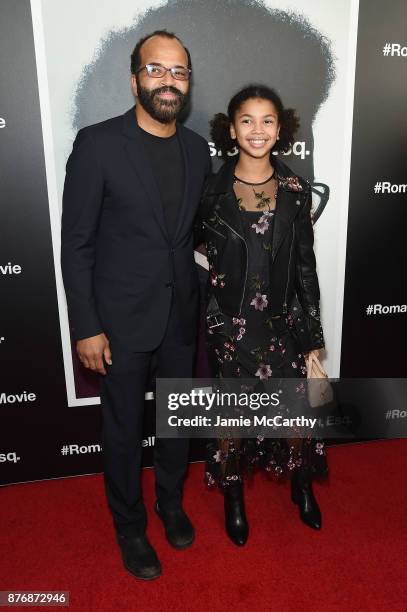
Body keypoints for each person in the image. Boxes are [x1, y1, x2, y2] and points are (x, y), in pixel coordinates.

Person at [61, 30, 210, 580]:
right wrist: (86, 326)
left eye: (179, 72)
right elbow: (76, 243)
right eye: (157, 69)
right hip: (119, 322)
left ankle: (171, 503)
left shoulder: (196, 149)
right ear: (135, 79)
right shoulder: (98, 144)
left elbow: (197, 233)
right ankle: (129, 525)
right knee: (124, 430)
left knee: (176, 424)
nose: (168, 81)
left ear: (187, 83)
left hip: (180, 317)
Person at [198, 85, 328, 546]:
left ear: (280, 129)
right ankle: (234, 499)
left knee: (294, 413)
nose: (258, 130)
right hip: (232, 327)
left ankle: (301, 486)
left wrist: (313, 332)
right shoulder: (210, 192)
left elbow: (305, 267)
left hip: (282, 323)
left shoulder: (295, 189)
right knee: (232, 418)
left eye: (267, 120)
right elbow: (192, 248)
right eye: (247, 120)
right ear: (231, 130)